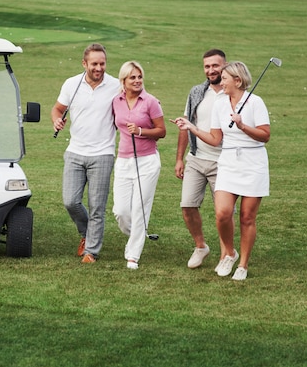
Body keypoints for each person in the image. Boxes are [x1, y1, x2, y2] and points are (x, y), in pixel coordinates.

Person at [172, 61, 270, 281]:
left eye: (225, 78)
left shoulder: (255, 102)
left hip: (253, 163)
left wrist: (243, 126)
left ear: (237, 80)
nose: (221, 82)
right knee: (222, 213)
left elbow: (265, 135)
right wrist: (192, 128)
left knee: (247, 217)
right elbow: (216, 139)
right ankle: (230, 253)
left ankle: (243, 264)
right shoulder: (220, 104)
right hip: (228, 162)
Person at [51, 43, 119, 264]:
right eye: (94, 64)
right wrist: (56, 120)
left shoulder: (116, 86)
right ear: (84, 64)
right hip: (75, 152)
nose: (99, 68)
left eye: (102, 63)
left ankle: (91, 251)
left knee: (97, 206)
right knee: (70, 201)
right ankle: (86, 233)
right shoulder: (72, 84)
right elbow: (57, 109)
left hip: (103, 153)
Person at [175, 49, 230, 270]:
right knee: (187, 206)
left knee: (223, 214)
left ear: (225, 65)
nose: (211, 70)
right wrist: (179, 158)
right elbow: (186, 125)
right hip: (197, 159)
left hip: (224, 162)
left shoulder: (233, 93)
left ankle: (226, 255)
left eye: (215, 66)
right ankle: (200, 247)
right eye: (207, 66)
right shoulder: (197, 92)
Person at [112, 61, 166, 270]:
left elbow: (161, 131)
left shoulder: (151, 102)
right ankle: (139, 233)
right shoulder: (116, 101)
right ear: (123, 81)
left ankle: (133, 255)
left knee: (139, 209)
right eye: (132, 78)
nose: (137, 81)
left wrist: (142, 131)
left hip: (147, 161)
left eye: (139, 77)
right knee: (121, 211)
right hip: (124, 160)